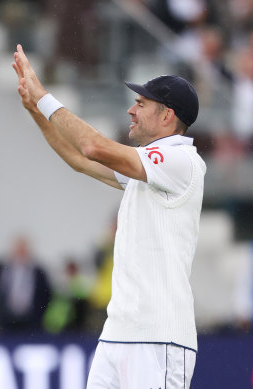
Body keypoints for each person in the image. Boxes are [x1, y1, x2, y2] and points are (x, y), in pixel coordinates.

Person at [12, 44, 205, 388]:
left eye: (141, 104)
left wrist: (43, 95)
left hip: (158, 338)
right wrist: (34, 111)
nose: (131, 110)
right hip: (117, 333)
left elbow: (93, 147)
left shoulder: (182, 162)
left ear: (167, 116)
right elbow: (80, 160)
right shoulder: (147, 165)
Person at [0, 235, 51, 333]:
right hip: (8, 320)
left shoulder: (38, 272)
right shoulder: (3, 270)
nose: (21, 253)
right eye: (18, 250)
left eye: (23, 250)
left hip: (32, 320)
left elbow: (46, 295)